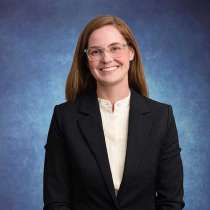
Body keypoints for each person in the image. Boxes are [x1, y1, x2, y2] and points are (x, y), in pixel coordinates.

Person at [43, 15, 185, 210]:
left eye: (115, 48)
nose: (106, 58)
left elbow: (171, 201)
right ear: (86, 59)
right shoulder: (64, 118)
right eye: (96, 51)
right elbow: (56, 201)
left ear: (131, 52)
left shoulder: (162, 117)